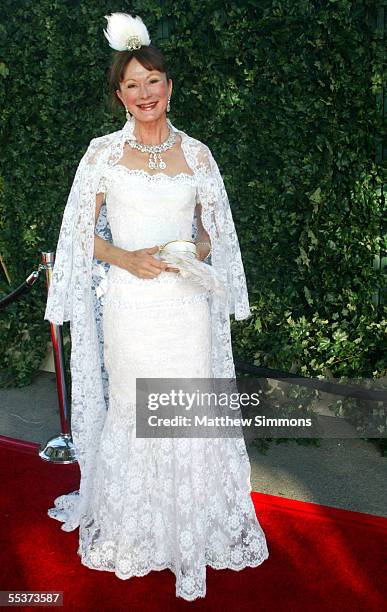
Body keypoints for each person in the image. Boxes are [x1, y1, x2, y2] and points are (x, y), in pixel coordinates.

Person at [44, 12, 269, 602]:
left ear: (169, 86)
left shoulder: (198, 155)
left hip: (186, 304)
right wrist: (128, 260)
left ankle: (190, 528)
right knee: (134, 406)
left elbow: (210, 230)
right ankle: (134, 526)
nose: (146, 94)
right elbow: (77, 237)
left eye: (155, 81)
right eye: (133, 84)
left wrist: (188, 249)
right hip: (130, 306)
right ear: (119, 94)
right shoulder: (100, 155)